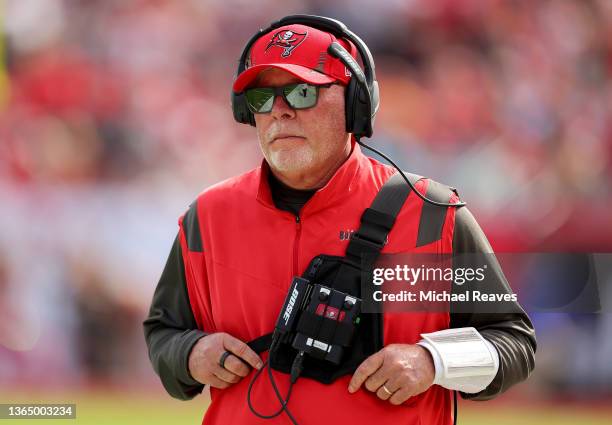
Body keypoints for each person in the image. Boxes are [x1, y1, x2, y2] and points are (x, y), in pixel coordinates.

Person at [143, 15, 536, 425]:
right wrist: (190, 354)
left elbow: (513, 343)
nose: (279, 112)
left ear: (355, 103)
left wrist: (432, 360)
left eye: (301, 92)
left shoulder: (432, 215)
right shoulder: (206, 217)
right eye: (262, 98)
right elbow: (163, 332)